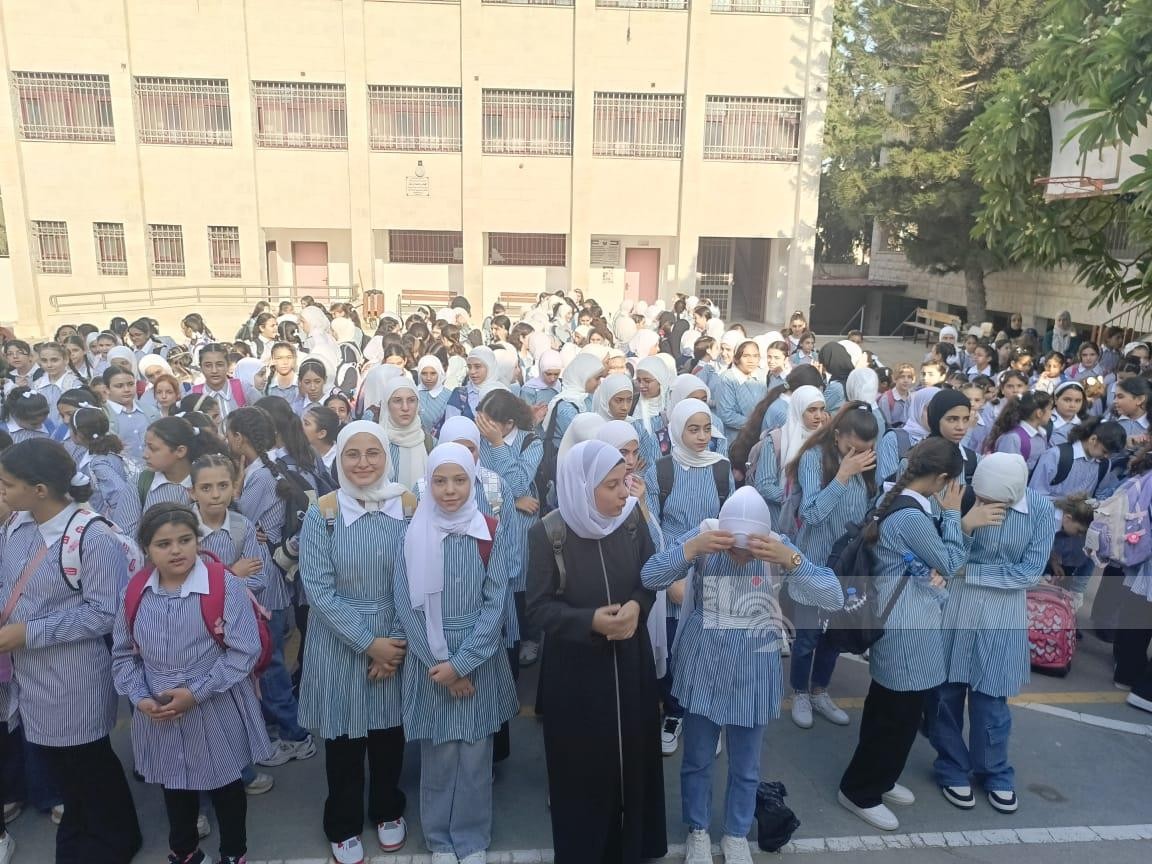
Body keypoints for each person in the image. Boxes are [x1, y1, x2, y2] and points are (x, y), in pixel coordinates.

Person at [642, 487, 841, 864]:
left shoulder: (777, 548)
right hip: (704, 662)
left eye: (748, 546)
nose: (739, 553)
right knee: (698, 758)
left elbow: (833, 596)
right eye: (733, 544)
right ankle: (697, 829)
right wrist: (691, 549)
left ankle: (736, 833)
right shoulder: (705, 534)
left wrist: (792, 559)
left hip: (755, 664)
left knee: (746, 764)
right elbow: (651, 576)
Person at [838, 438, 1003, 832]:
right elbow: (949, 561)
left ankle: (880, 776)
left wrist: (949, 524)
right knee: (896, 715)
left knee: (889, 709)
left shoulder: (901, 501)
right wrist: (956, 519)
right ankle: (860, 790)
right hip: (905, 628)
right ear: (944, 479)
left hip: (904, 621)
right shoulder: (911, 515)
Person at [0, 439, 143, 861]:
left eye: (7, 484)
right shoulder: (16, 526)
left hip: (75, 677)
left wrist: (29, 633)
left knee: (89, 761)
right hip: (30, 675)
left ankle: (115, 836)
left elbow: (104, 613)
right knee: (63, 765)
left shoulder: (90, 536)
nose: (1, 491)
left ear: (39, 489)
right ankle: (82, 828)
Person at [527, 440, 666, 864]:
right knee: (582, 769)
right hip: (576, 673)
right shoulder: (549, 532)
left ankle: (634, 848)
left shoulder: (630, 522)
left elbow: (650, 580)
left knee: (634, 759)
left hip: (630, 663)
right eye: (611, 485)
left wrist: (637, 608)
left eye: (623, 480)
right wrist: (590, 621)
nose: (624, 492)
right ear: (581, 485)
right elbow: (538, 608)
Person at [111, 502, 271, 864]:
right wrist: (140, 698)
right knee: (175, 786)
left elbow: (244, 651)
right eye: (163, 544)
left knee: (226, 785)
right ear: (146, 549)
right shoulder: (135, 592)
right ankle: (184, 851)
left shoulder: (222, 583)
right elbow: (123, 655)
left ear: (197, 541)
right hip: (159, 710)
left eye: (185, 540)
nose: (176, 550)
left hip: (214, 703)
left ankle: (233, 852)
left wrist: (195, 694)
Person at [394, 443, 518, 864]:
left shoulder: (490, 530)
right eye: (441, 481)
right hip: (431, 659)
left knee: (475, 752)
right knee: (441, 752)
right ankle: (440, 839)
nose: (450, 490)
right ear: (428, 484)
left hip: (478, 658)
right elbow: (406, 603)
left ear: (473, 481)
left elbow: (494, 600)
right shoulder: (412, 532)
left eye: (460, 480)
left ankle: (471, 837)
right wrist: (440, 664)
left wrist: (462, 664)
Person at [297, 421, 411, 863]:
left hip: (395, 634)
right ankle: (342, 822)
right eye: (352, 454)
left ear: (387, 457)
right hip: (339, 641)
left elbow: (417, 578)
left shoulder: (408, 507)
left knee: (387, 734)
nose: (363, 463)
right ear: (339, 459)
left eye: (373, 453)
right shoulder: (322, 513)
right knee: (344, 742)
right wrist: (370, 644)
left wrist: (393, 643)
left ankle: (387, 809)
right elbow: (319, 591)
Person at [926, 453, 1055, 814]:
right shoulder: (960, 495)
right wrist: (966, 524)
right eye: (980, 496)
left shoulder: (1041, 511)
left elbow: (1030, 573)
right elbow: (940, 553)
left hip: (1002, 610)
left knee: (991, 697)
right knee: (946, 693)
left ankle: (995, 772)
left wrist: (972, 574)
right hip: (954, 605)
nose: (985, 503)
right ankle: (952, 767)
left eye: (992, 501)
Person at [225, 407, 316, 767]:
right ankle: (280, 726)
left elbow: (238, 522)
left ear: (239, 439)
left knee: (271, 662)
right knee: (269, 658)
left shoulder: (261, 476)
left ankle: (296, 734)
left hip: (268, 582)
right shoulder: (266, 468)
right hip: (270, 576)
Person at [787, 403, 878, 728]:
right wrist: (842, 475)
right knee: (808, 637)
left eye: (866, 449)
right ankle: (799, 691)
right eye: (851, 447)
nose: (859, 454)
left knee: (834, 637)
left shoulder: (870, 463)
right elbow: (812, 514)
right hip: (814, 564)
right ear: (837, 435)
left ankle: (818, 691)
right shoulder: (815, 458)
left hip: (849, 567)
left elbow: (872, 509)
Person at [716, 341, 766, 440]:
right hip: (736, 438)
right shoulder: (728, 378)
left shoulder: (760, 375)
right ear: (737, 358)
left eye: (755, 356)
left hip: (758, 436)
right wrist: (755, 423)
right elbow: (726, 414)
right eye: (746, 356)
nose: (751, 360)